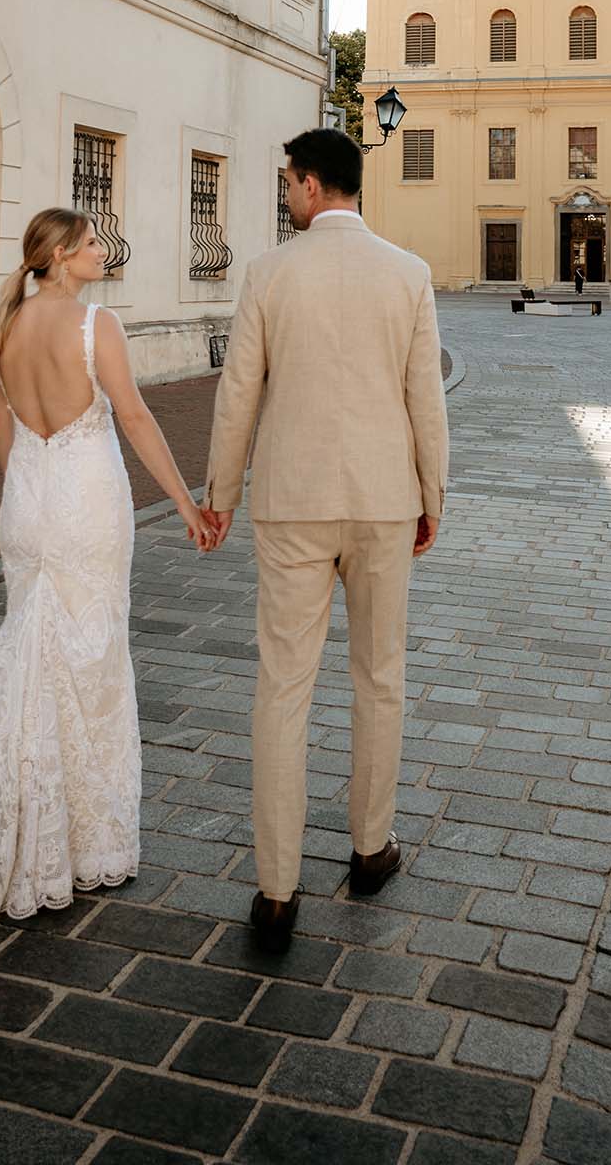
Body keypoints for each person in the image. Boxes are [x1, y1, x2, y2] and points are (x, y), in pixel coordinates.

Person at [0, 207, 212, 924]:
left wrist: (26, 493)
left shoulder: (6, 324)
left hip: (25, 506)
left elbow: (0, 424)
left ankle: (31, 827)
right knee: (85, 666)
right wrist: (186, 503)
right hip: (87, 504)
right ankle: (78, 840)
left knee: (36, 655)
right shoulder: (97, 326)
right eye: (91, 244)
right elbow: (137, 419)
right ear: (59, 255)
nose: (102, 252)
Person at [203, 128, 448, 952]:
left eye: (286, 181)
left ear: (311, 186)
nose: (284, 193)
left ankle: (276, 891)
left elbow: (239, 392)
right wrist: (431, 496)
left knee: (282, 685)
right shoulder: (407, 273)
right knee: (380, 675)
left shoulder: (269, 272)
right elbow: (426, 399)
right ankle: (370, 847)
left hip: (292, 500)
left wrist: (221, 495)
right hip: (383, 498)